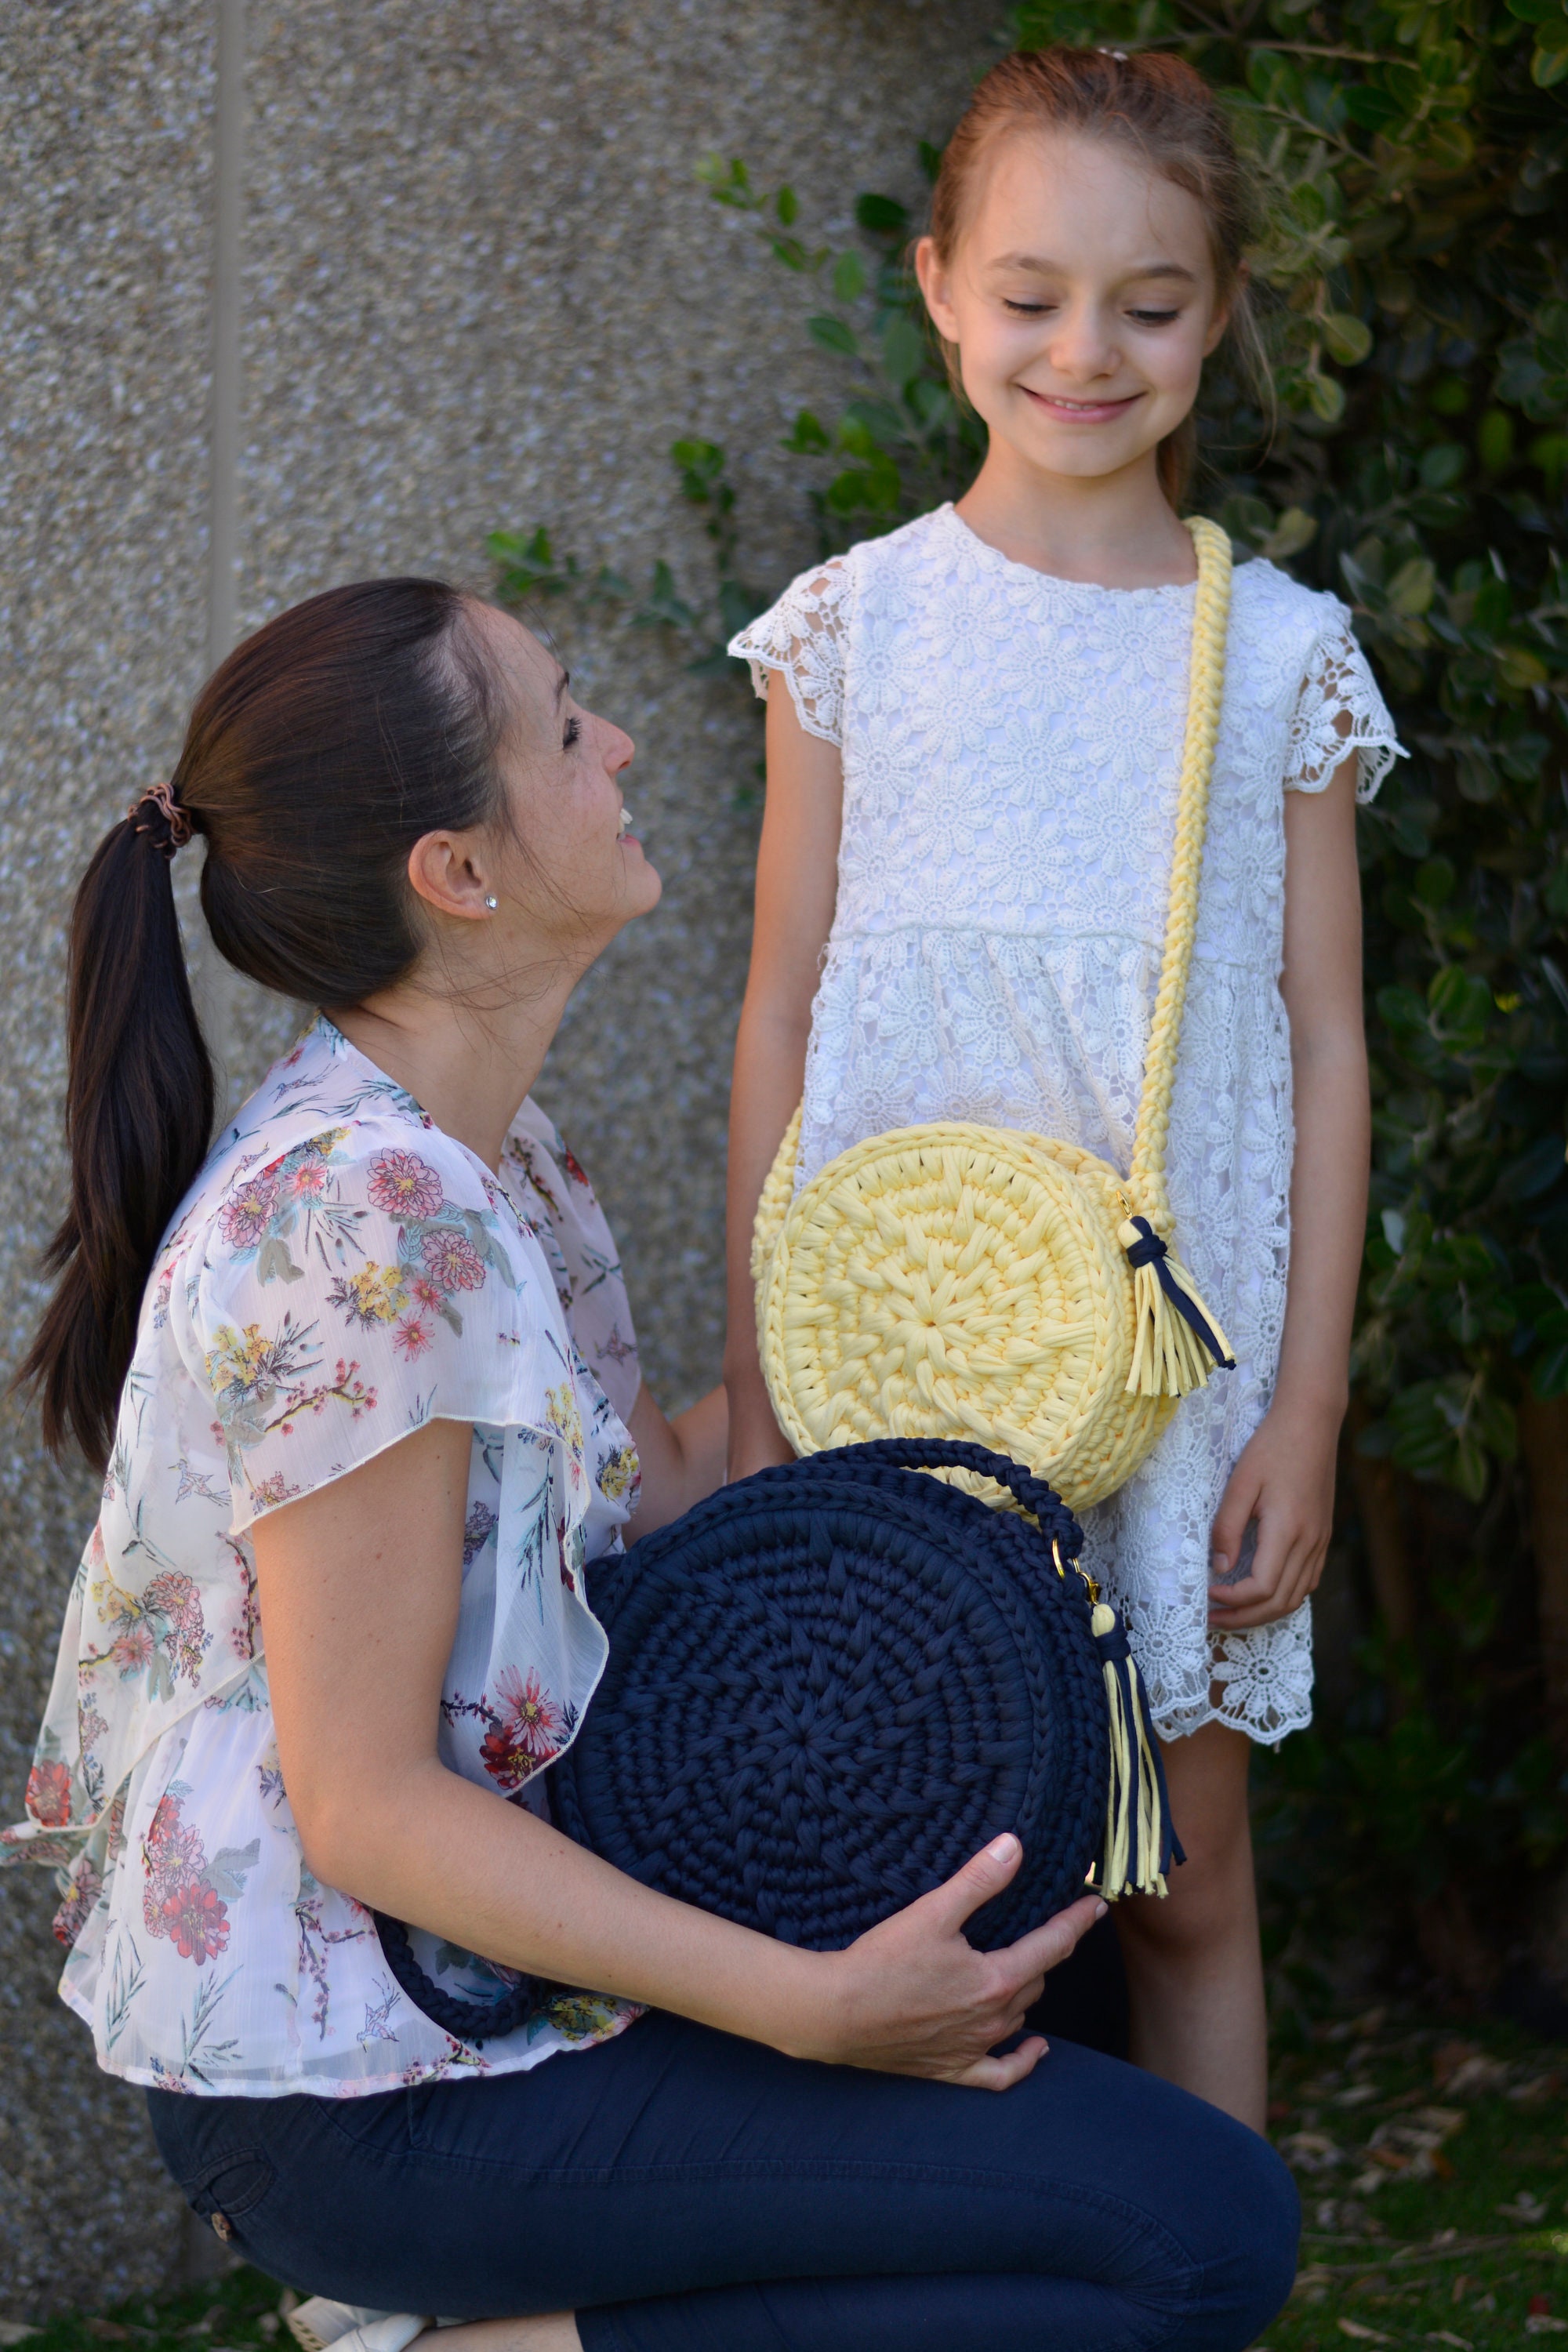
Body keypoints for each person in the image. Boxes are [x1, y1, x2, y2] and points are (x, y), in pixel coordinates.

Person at [4, 576, 1298, 2351]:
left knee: (1054, 2007)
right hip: (357, 2083)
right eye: (562, 726)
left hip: (475, 1978)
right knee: (1196, 2236)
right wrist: (804, 2006)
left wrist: (1008, 1331)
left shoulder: (492, 1155)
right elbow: (365, 1806)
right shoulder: (358, 1224)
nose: (614, 746)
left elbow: (661, 1494)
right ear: (459, 873)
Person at [725, 45, 1402, 2134]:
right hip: (898, 1359)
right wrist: (759, 1381)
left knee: (1182, 1886)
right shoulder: (855, 628)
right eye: (1029, 295)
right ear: (939, 286)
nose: (1084, 350)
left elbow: (1323, 1039)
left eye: (1149, 302)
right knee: (899, 1860)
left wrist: (1305, 1405)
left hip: (1175, 1380)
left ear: (1220, 313)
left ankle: (1205, 2265)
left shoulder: (1276, 653)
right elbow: (777, 1011)